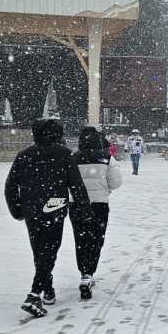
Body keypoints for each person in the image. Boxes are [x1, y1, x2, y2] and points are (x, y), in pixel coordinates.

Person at [5, 119, 89, 318]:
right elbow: (76, 184)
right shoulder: (64, 155)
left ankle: (48, 289)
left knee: (39, 250)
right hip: (55, 205)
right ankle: (35, 293)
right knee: (49, 250)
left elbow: (10, 185)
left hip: (31, 208)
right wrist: (84, 209)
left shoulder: (24, 156)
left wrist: (17, 209)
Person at [70, 127, 122, 299]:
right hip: (99, 204)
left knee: (81, 237)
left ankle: (84, 271)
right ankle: (90, 270)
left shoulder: (73, 158)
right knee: (96, 237)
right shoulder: (107, 158)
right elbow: (115, 183)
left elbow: (66, 182)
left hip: (77, 204)